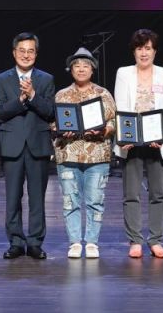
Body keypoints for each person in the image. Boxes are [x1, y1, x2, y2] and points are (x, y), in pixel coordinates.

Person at [114, 28, 163, 259]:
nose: (144, 53)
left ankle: (156, 239)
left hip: (157, 143)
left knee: (158, 193)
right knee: (131, 193)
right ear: (134, 51)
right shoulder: (124, 73)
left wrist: (159, 134)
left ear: (155, 51)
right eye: (139, 48)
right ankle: (135, 240)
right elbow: (121, 105)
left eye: (148, 48)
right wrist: (126, 135)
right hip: (131, 143)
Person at [0, 32, 55, 260]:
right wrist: (21, 99)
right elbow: (1, 112)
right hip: (12, 144)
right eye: (22, 50)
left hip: (38, 144)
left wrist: (33, 95)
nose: (26, 55)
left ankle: (35, 242)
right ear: (14, 53)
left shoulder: (46, 79)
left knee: (37, 198)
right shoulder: (1, 80)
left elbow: (50, 112)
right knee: (13, 198)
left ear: (36, 54)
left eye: (31, 51)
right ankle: (16, 242)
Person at [53, 47, 116, 259]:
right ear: (71, 70)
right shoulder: (62, 95)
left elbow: (114, 121)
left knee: (95, 200)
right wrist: (61, 129)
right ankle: (74, 242)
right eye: (77, 66)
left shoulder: (103, 94)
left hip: (97, 155)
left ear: (92, 69)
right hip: (68, 154)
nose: (81, 69)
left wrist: (104, 130)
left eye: (85, 66)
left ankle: (91, 242)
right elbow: (53, 122)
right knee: (70, 201)